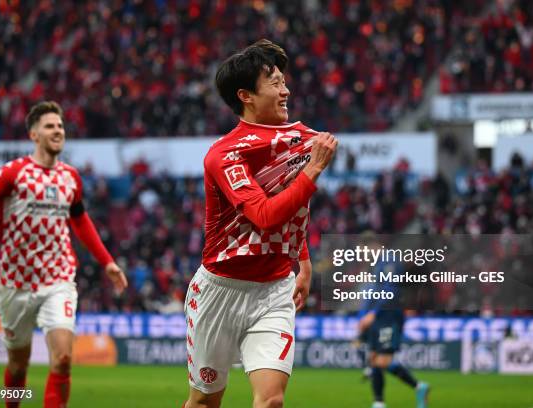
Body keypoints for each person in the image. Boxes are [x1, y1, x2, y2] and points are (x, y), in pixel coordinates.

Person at [183, 39, 337, 408]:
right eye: (274, 83)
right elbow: (265, 217)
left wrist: (302, 260)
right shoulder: (224, 154)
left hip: (273, 291)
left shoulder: (303, 140)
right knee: (205, 402)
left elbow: (294, 207)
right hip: (220, 291)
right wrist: (314, 169)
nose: (286, 90)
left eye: (284, 81)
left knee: (271, 402)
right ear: (245, 95)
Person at [0, 101, 128, 408]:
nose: (58, 131)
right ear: (34, 134)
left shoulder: (71, 178)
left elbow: (80, 220)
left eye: (61, 126)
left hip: (58, 278)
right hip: (16, 282)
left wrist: (107, 262)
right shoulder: (13, 173)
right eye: (50, 126)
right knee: (18, 365)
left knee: (63, 358)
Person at [357, 260, 430, 408]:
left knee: (382, 361)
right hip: (377, 321)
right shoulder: (375, 267)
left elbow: (391, 289)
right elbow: (370, 297)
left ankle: (379, 403)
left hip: (389, 318)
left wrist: (372, 314)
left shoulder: (389, 261)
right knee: (375, 359)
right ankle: (416, 387)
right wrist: (363, 317)